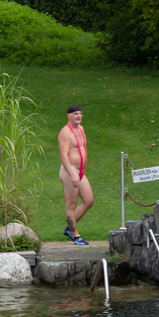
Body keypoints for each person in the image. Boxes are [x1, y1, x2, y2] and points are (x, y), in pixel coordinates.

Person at [58, 105, 94, 245]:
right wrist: (72, 174)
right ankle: (75, 235)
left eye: (80, 113)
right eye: (75, 114)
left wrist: (80, 171)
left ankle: (69, 228)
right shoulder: (65, 132)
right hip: (69, 172)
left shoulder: (81, 129)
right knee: (71, 205)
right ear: (69, 116)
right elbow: (63, 156)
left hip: (80, 172)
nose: (78, 116)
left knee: (89, 200)